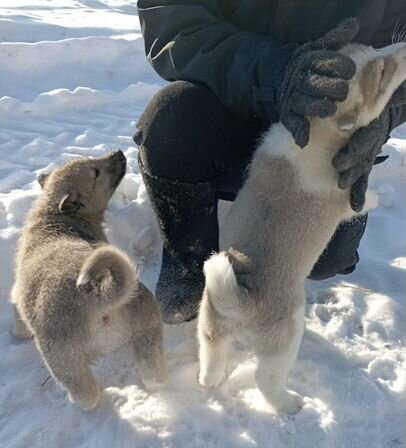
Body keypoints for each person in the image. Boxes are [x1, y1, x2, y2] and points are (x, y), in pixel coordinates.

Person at [134, 0, 406, 324]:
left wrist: (388, 111)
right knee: (171, 121)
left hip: (327, 129)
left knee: (326, 261)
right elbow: (170, 22)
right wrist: (277, 72)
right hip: (226, 103)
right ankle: (188, 257)